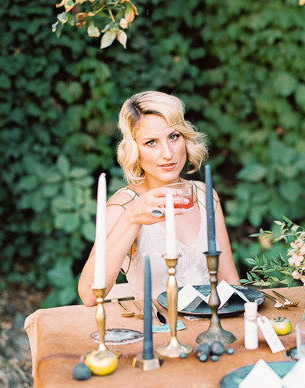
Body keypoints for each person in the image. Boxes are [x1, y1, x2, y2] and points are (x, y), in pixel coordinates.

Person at [78, 91, 240, 306]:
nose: (168, 154)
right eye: (151, 142)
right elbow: (89, 295)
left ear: (185, 137)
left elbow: (229, 280)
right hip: (156, 325)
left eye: (174, 137)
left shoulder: (204, 195)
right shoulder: (123, 206)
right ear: (134, 149)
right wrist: (132, 218)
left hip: (210, 323)